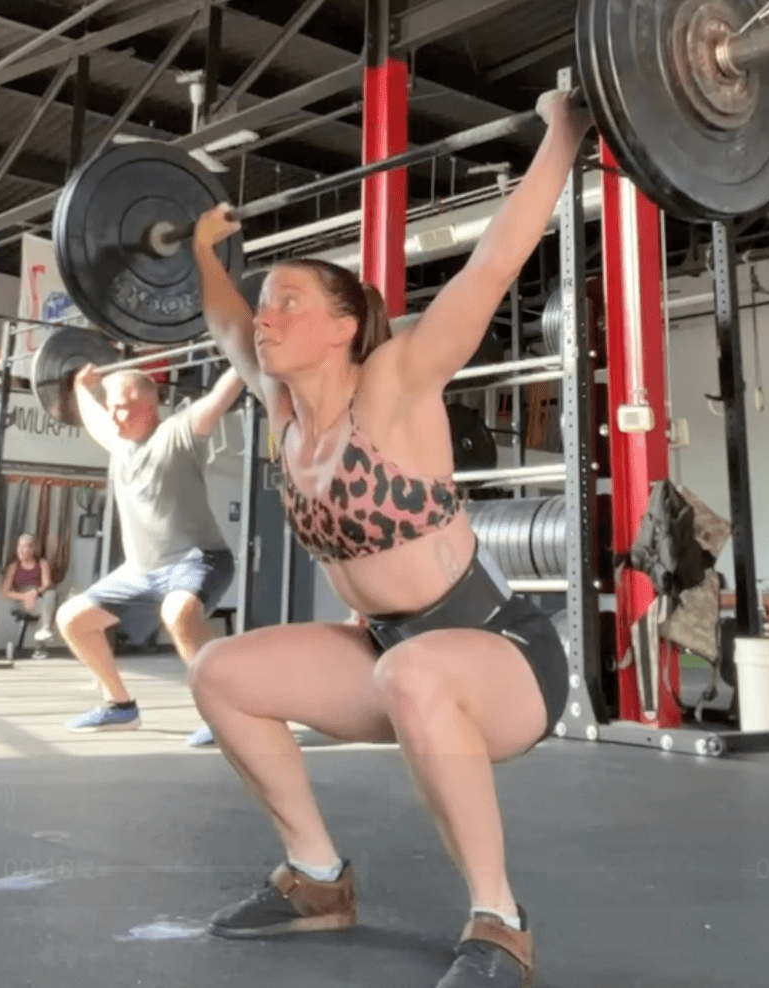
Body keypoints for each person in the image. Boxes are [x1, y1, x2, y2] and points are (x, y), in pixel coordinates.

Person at [188, 90, 590, 988]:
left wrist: (561, 138)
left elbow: (493, 264)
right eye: (267, 303)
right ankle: (318, 880)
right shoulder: (285, 408)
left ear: (343, 326)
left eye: (288, 301)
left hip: (502, 657)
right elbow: (222, 321)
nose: (267, 315)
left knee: (414, 672)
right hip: (385, 654)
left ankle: (499, 920)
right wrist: (206, 253)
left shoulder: (397, 382)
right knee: (221, 673)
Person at [55, 363, 245, 745]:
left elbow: (220, 396)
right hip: (141, 572)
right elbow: (94, 418)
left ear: (148, 406)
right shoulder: (120, 443)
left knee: (177, 614)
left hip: (197, 558)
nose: (113, 414)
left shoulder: (178, 432)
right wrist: (81, 387)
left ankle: (228, 713)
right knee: (72, 619)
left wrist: (244, 353)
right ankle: (120, 707)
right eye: (110, 406)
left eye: (122, 407)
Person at [1, 533, 57, 647]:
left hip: (39, 597)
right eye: (19, 547)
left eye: (24, 547)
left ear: (32, 549)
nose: (20, 550)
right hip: (23, 600)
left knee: (50, 596)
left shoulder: (42, 563)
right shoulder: (13, 567)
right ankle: (40, 645)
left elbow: (46, 584)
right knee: (47, 607)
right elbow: (5, 592)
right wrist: (26, 596)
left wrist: (35, 593)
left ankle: (45, 630)